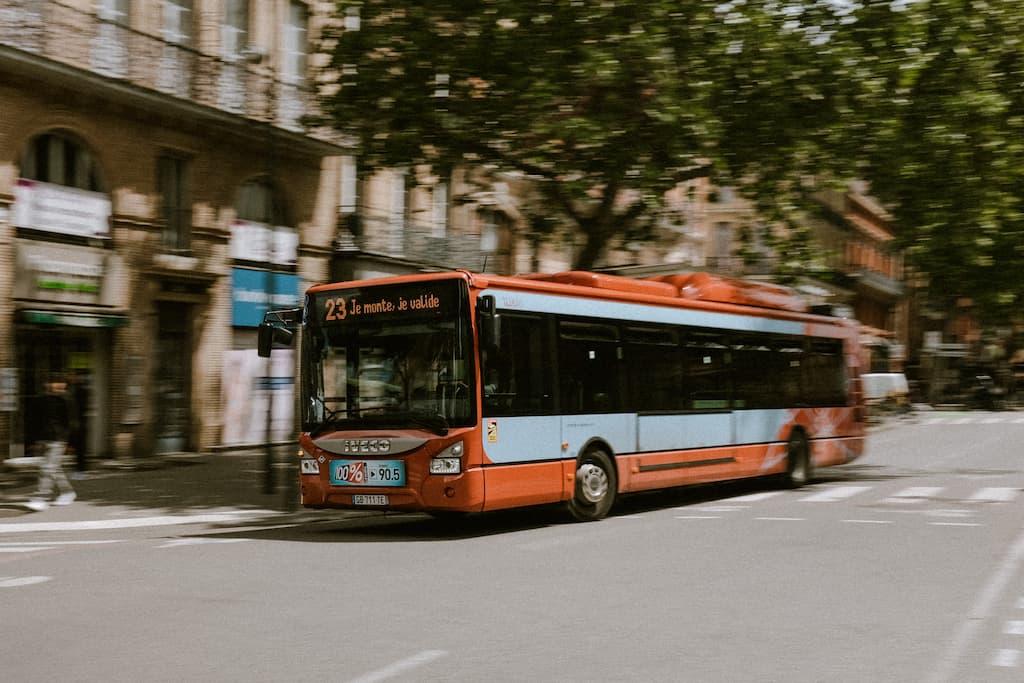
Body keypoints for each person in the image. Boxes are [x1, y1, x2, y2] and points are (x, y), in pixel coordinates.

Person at [26, 374, 77, 511]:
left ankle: (41, 498)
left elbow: (71, 423)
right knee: (54, 468)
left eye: (61, 383)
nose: (59, 385)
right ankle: (68, 493)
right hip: (43, 439)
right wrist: (33, 441)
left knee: (47, 468)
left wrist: (69, 442)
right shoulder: (40, 400)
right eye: (55, 382)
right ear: (47, 384)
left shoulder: (66, 400)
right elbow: (33, 421)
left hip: (58, 440)